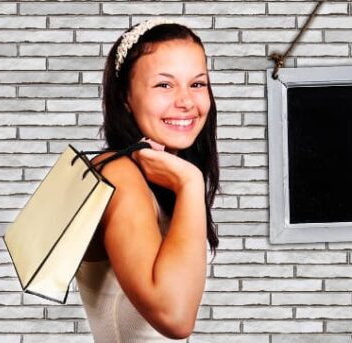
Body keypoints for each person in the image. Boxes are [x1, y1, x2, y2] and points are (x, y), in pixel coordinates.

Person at [75, 19, 220, 342]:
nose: (186, 101)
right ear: (126, 97)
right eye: (164, 85)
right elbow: (175, 319)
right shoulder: (118, 175)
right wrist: (190, 183)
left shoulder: (157, 174)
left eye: (197, 84)